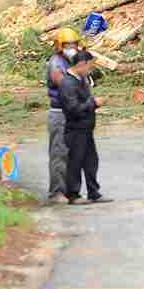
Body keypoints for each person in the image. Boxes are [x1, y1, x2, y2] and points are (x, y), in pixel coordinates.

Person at [59, 49, 109, 205]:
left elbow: (84, 101)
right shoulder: (68, 83)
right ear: (81, 64)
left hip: (86, 129)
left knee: (91, 161)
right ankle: (73, 194)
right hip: (75, 129)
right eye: (89, 67)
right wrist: (93, 104)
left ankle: (94, 192)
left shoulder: (82, 80)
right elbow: (72, 108)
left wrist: (92, 103)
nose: (90, 70)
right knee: (75, 162)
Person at [44, 28, 82, 204]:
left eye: (74, 44)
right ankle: (57, 192)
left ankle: (72, 192)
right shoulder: (56, 63)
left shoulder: (74, 62)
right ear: (60, 46)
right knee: (59, 154)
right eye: (67, 45)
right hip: (60, 114)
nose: (71, 47)